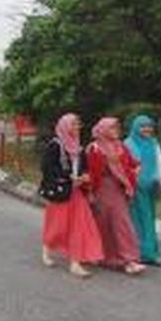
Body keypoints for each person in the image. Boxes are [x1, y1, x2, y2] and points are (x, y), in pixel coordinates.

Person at [41, 113, 104, 278]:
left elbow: (83, 167)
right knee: (58, 226)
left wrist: (84, 176)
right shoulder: (55, 145)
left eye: (78, 125)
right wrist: (69, 177)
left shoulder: (79, 147)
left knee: (81, 226)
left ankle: (76, 262)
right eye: (74, 124)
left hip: (77, 193)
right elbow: (47, 168)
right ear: (65, 126)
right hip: (61, 192)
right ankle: (47, 248)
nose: (77, 128)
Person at [87, 117, 146, 275]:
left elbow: (133, 163)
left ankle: (130, 259)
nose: (116, 131)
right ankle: (107, 257)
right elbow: (91, 173)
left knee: (122, 223)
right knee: (104, 224)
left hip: (118, 190)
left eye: (117, 128)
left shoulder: (120, 146)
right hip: (102, 190)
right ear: (104, 130)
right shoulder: (95, 148)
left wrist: (136, 170)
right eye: (112, 128)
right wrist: (90, 193)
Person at [124, 115, 161, 265]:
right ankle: (138, 252)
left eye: (149, 126)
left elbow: (160, 163)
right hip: (133, 188)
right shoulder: (128, 144)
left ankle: (149, 252)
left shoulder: (154, 143)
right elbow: (123, 166)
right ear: (135, 127)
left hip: (150, 187)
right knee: (135, 220)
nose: (147, 129)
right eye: (143, 126)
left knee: (148, 218)